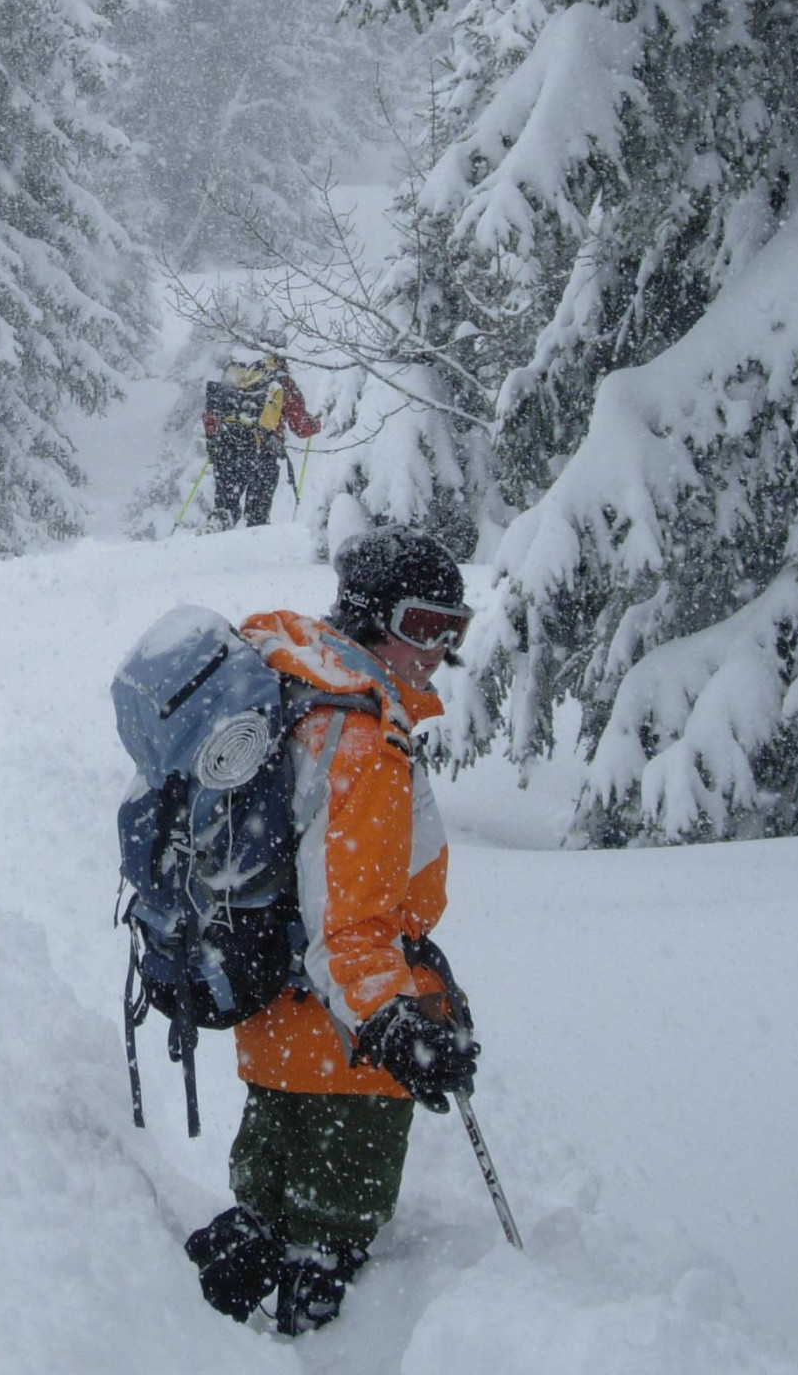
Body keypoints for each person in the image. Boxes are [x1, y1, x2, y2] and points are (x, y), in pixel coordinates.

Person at [183, 526, 480, 1335]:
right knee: (328, 1262)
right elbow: (348, 924)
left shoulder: (293, 669)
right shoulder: (365, 734)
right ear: (375, 613)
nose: (438, 651)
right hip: (347, 1056)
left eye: (453, 629)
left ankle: (180, 1332)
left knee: (265, 1224)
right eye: (423, 626)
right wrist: (400, 1026)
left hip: (272, 1020)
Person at [201, 344, 320, 529]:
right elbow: (301, 427)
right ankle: (254, 544)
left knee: (225, 503)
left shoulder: (235, 373)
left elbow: (215, 410)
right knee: (257, 514)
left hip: (228, 447)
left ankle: (218, 525)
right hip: (263, 451)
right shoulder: (281, 381)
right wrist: (316, 424)